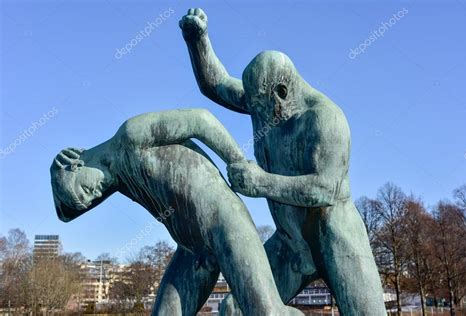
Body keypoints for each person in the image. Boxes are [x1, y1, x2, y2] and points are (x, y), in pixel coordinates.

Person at [180, 8, 387, 315]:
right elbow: (216, 84)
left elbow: (325, 189)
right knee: (236, 310)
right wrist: (197, 40)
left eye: (259, 104)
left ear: (280, 93)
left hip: (336, 239)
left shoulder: (325, 119)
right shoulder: (262, 99)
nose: (252, 109)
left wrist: (260, 182)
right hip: (290, 245)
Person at [50, 109, 302, 316]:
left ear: (77, 164)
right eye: (89, 197)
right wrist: (55, 172)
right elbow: (66, 214)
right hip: (191, 250)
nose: (94, 193)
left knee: (266, 313)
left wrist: (236, 161)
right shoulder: (112, 179)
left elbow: (201, 120)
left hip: (226, 226)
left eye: (86, 188)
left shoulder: (130, 136)